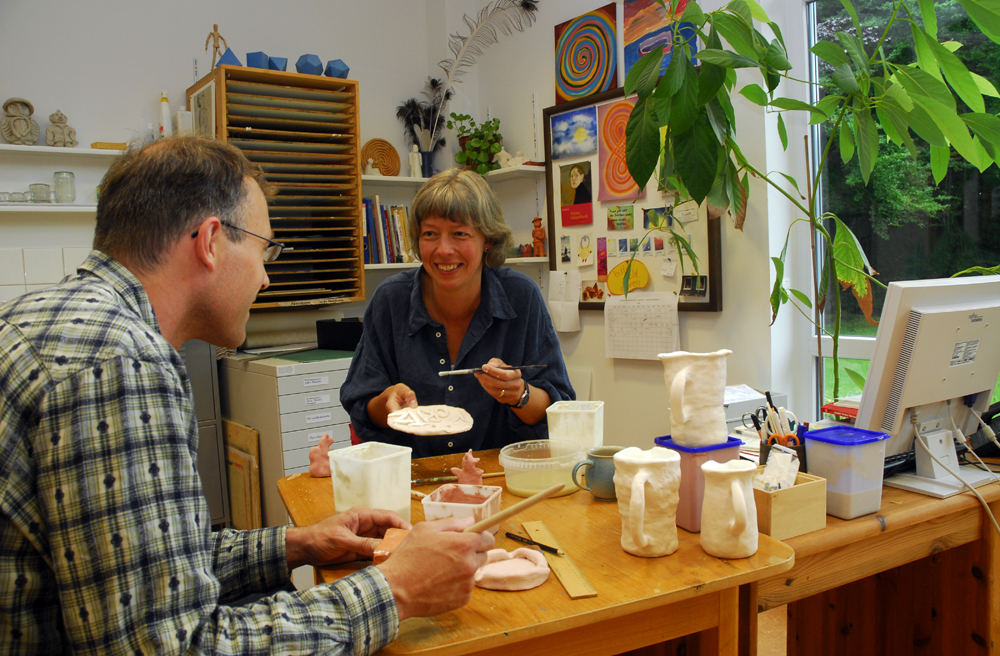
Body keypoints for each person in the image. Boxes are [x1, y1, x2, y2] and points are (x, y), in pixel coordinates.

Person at [0, 137, 493, 655]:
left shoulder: (54, 318)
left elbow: (145, 567)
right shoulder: (122, 362)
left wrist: (296, 543)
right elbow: (169, 646)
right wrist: (395, 590)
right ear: (211, 241)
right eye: (264, 249)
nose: (264, 277)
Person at [338, 168, 575, 459]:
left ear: (487, 239)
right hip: (411, 480)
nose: (443, 249)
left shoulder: (521, 297)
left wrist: (519, 394)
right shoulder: (391, 300)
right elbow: (363, 406)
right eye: (430, 234)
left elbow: (558, 410)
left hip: (502, 478)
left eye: (460, 233)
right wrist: (386, 402)